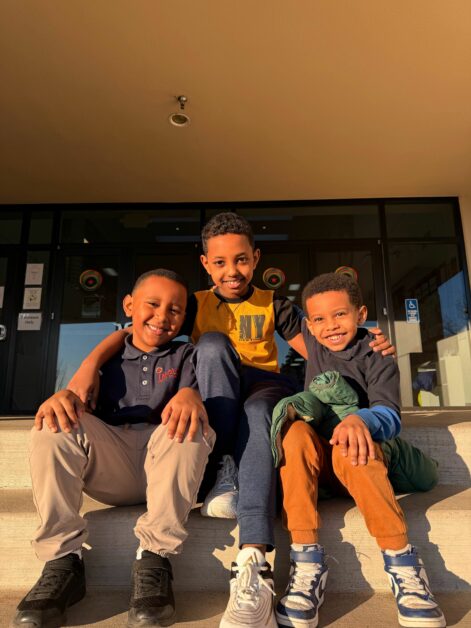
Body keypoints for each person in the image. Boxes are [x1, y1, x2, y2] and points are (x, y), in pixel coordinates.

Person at [64, 213, 393, 628]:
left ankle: (253, 547)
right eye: (220, 262)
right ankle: (222, 467)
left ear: (255, 259)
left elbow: (323, 346)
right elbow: (133, 332)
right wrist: (89, 364)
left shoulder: (274, 304)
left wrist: (366, 343)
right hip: (214, 389)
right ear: (206, 264)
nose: (231, 270)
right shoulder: (194, 304)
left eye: (241, 260)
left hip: (263, 386)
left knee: (258, 412)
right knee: (213, 345)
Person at [12, 269, 215, 628]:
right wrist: (63, 395)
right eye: (153, 304)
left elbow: (200, 394)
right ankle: (62, 562)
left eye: (175, 310)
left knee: (188, 425)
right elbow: (76, 403)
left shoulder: (188, 355)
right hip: (111, 463)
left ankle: (154, 559)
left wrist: (191, 393)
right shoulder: (104, 359)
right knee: (53, 422)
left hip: (163, 466)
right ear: (129, 305)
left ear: (184, 318)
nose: (162, 316)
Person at [273, 272, 445, 628]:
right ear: (309, 325)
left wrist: (360, 420)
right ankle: (306, 561)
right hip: (323, 462)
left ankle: (402, 563)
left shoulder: (376, 354)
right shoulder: (313, 341)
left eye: (340, 314)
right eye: (320, 319)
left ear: (361, 314)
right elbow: (271, 305)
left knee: (349, 443)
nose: (331, 326)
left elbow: (390, 416)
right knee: (294, 433)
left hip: (362, 456)